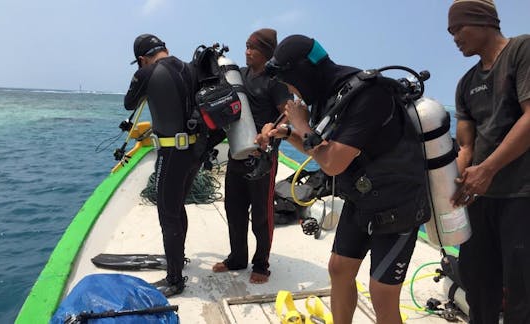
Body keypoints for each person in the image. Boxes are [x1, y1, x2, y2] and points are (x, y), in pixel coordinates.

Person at [257, 35, 431, 323]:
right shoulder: (330, 96)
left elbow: (333, 163)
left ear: (303, 72)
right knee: (339, 269)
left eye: (290, 82)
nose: (290, 91)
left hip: (398, 206)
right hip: (362, 200)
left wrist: (300, 124)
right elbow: (322, 150)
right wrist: (289, 133)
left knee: (382, 294)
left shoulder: (367, 95)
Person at [447, 1, 530, 323]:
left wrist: (488, 169)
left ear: (484, 22)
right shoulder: (466, 83)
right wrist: (454, 180)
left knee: (522, 292)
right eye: (450, 31)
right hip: (480, 198)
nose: (454, 38)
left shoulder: (522, 50)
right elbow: (467, 145)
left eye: (459, 28)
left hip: (521, 195)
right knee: (478, 286)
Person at [124, 34, 206, 297]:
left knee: (167, 213)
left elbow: (129, 103)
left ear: (141, 58)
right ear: (166, 48)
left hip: (171, 153)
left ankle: (174, 280)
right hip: (194, 152)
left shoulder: (146, 72)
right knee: (177, 206)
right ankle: (177, 260)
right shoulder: (189, 67)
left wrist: (141, 74)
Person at [212, 28, 293, 284]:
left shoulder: (276, 81)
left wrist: (271, 130)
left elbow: (289, 113)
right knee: (233, 208)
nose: (247, 51)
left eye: (253, 48)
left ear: (267, 53)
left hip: (263, 157)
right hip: (237, 152)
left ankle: (261, 264)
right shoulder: (240, 76)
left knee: (261, 213)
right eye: (246, 46)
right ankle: (237, 258)